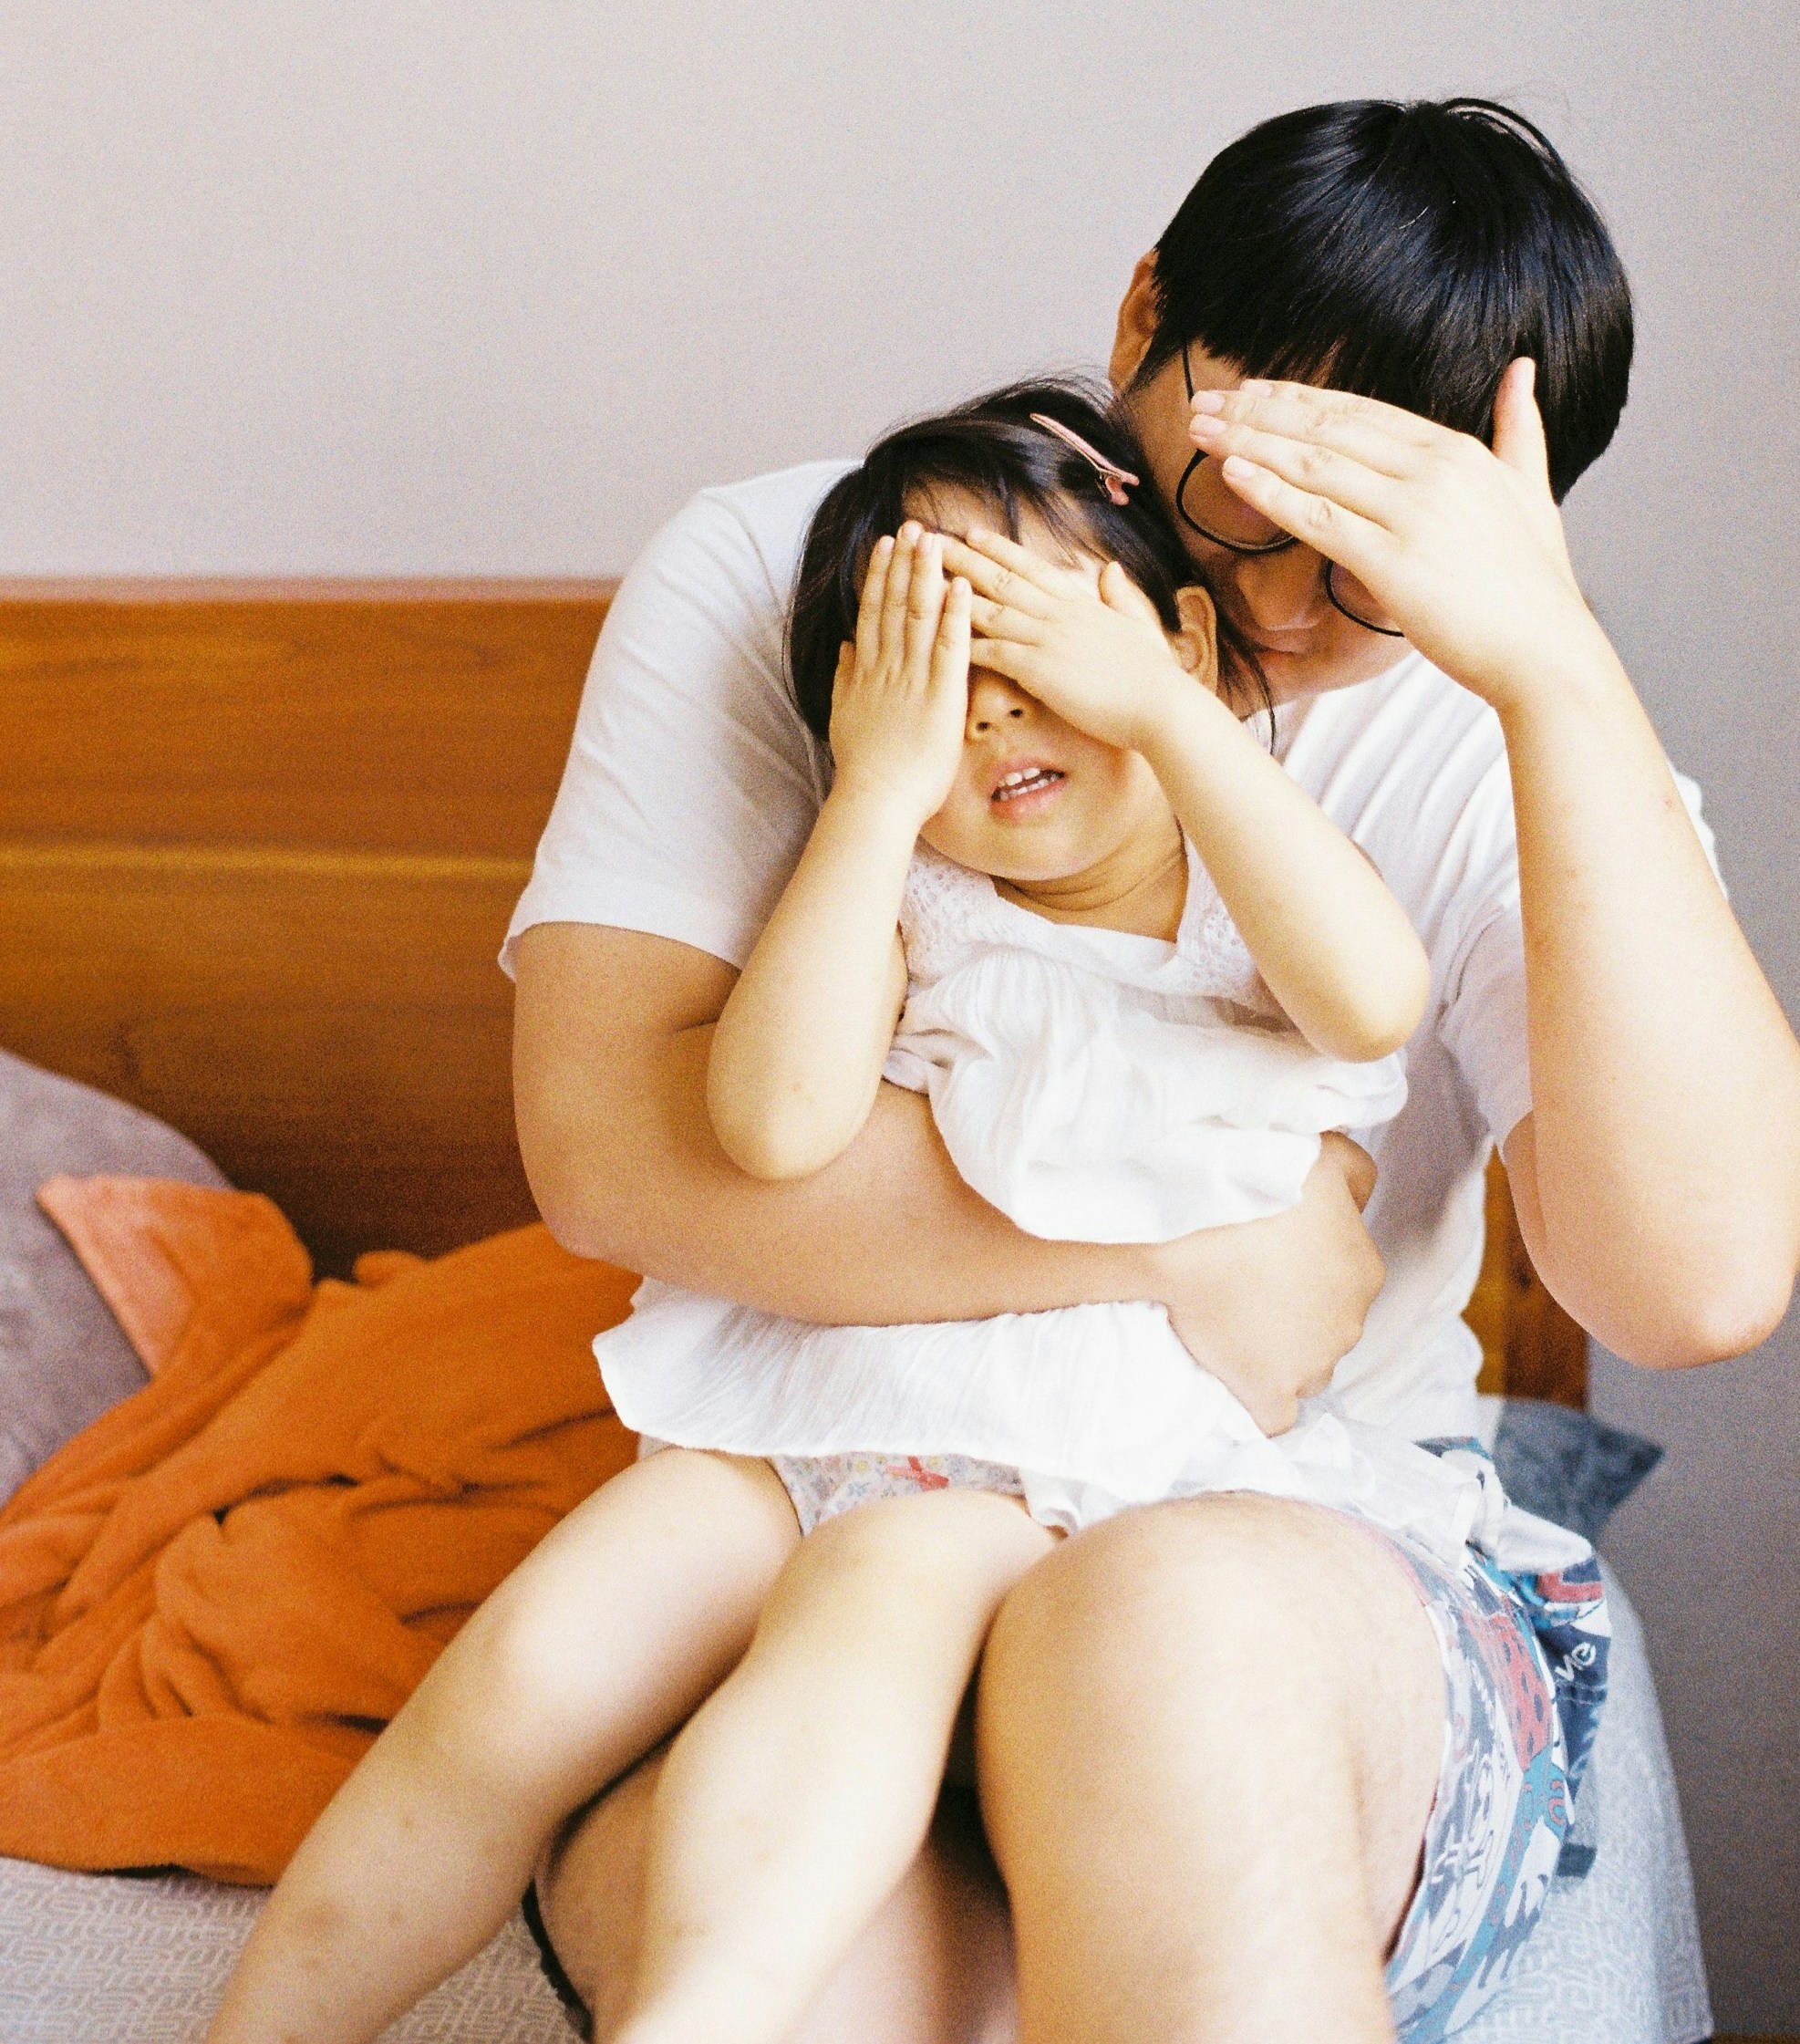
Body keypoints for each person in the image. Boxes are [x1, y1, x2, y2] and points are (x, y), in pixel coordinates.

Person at [211, 382, 1578, 2044]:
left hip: (1061, 1468)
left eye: (1034, 645)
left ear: (1176, 639)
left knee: (856, 1629)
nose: (994, 714)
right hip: (806, 1414)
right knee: (522, 1674)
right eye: (936, 671)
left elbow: (1370, 1000)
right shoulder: (908, 893)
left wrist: (1163, 709)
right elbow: (773, 1123)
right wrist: (869, 799)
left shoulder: (1257, 884)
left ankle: (709, 2005)